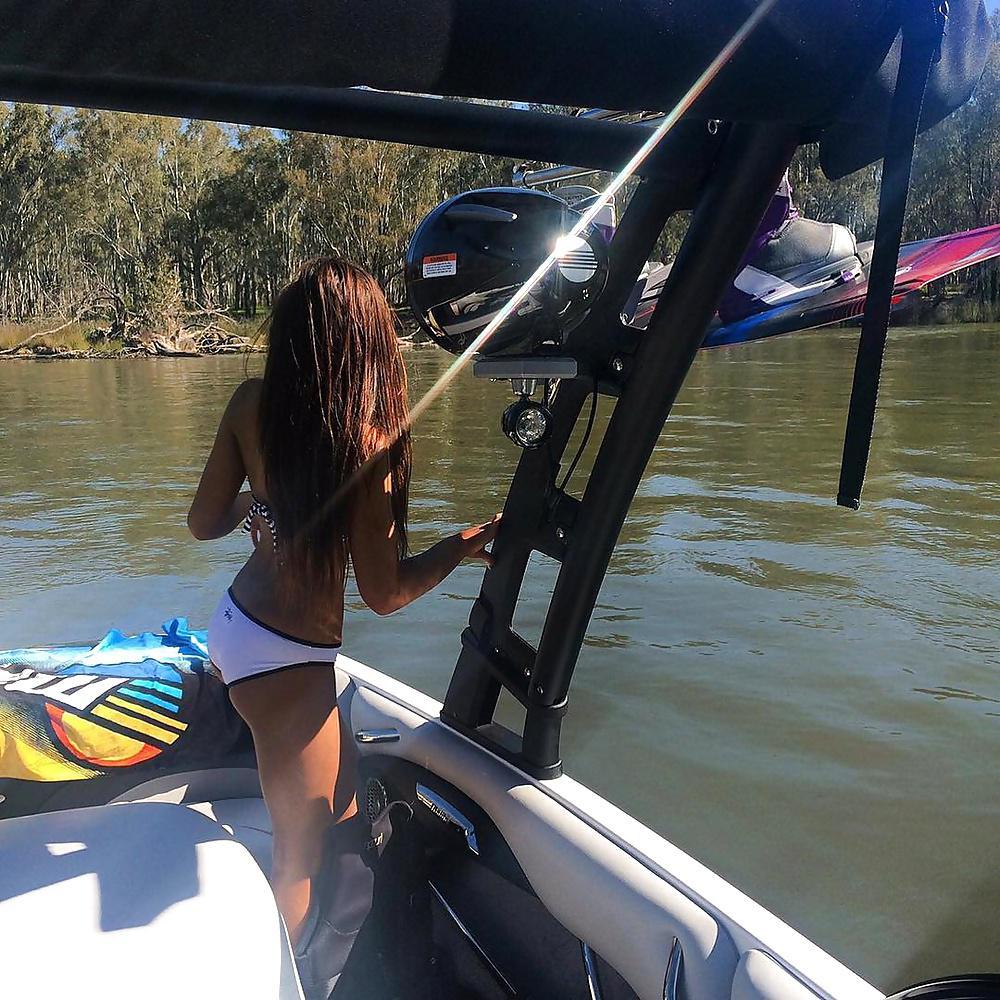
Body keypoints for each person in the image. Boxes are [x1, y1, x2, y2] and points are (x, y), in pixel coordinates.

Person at [187, 257, 500, 988]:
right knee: (300, 856)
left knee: (347, 805)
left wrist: (263, 510)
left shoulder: (250, 403)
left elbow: (204, 521)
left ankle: (342, 953)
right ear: (365, 344)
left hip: (238, 626)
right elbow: (386, 594)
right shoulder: (366, 445)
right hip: (284, 659)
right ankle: (277, 982)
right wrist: (464, 544)